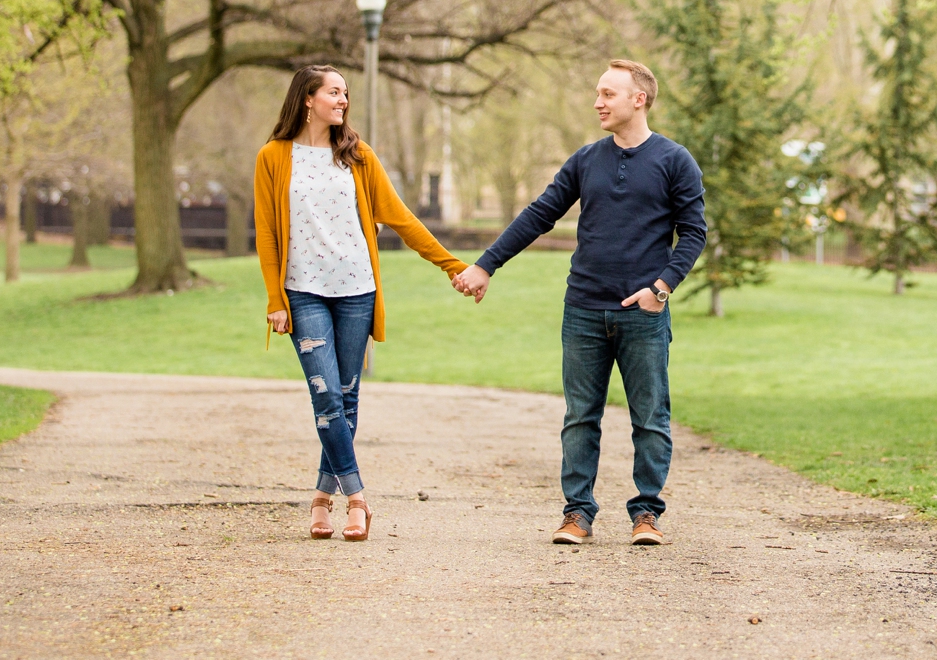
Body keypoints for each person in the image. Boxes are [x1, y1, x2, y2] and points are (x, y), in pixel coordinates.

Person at [452, 59, 705, 547]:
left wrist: (661, 289)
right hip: (584, 309)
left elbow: (693, 232)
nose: (598, 103)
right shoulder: (586, 159)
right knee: (580, 418)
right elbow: (539, 214)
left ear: (639, 98)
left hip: (643, 314)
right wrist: (486, 265)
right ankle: (577, 514)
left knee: (650, 417)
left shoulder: (676, 161)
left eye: (608, 94)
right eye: (597, 93)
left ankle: (647, 514)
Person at [256, 64, 469, 541]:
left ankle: (319, 499)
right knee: (326, 395)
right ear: (308, 98)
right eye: (334, 92)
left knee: (346, 400)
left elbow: (401, 218)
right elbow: (267, 233)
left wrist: (452, 265)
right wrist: (275, 299)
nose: (343, 100)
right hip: (302, 291)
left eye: (346, 93)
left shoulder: (357, 155)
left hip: (356, 290)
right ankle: (357, 499)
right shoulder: (273, 157)